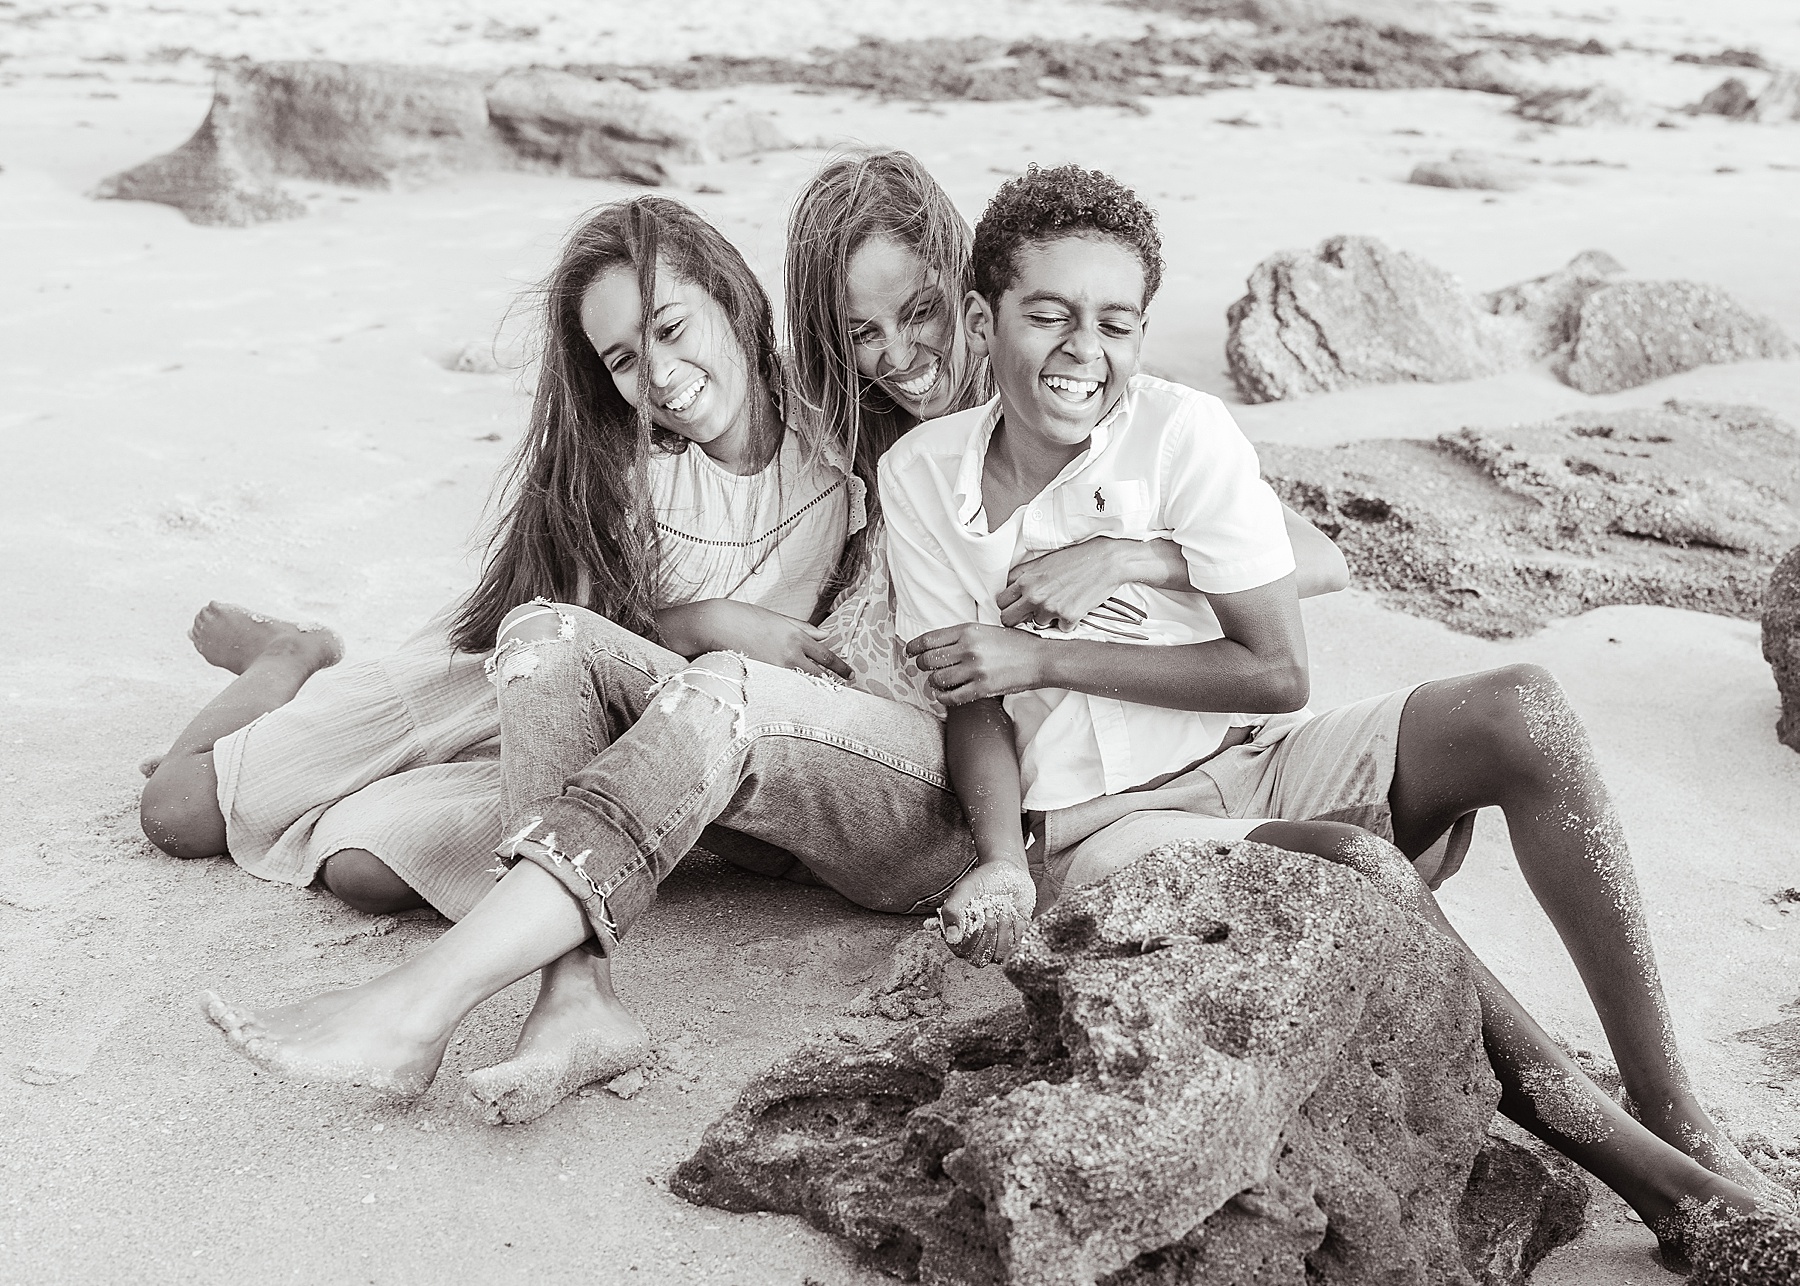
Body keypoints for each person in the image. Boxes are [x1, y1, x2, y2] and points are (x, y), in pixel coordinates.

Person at [196, 151, 1351, 1129]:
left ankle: (419, 1000)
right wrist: (695, 618)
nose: (898, 351)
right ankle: (574, 994)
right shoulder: (874, 441)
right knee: (546, 630)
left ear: (981, 290)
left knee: (701, 702)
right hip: (801, 746)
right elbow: (722, 461)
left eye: (924, 311)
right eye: (863, 331)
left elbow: (1307, 561)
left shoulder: (1085, 406)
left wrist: (1133, 556)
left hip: (941, 783)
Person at [878, 163, 1773, 1261]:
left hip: (1262, 750)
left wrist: (1048, 644)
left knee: (1524, 710)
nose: (1084, 349)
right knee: (1350, 864)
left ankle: (1671, 1097)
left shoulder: (1182, 433)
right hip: (1105, 830)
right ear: (985, 316)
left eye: (1116, 322)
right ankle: (1657, 1179)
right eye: (1049, 314)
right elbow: (971, 703)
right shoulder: (920, 476)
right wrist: (1003, 858)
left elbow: (1274, 674)